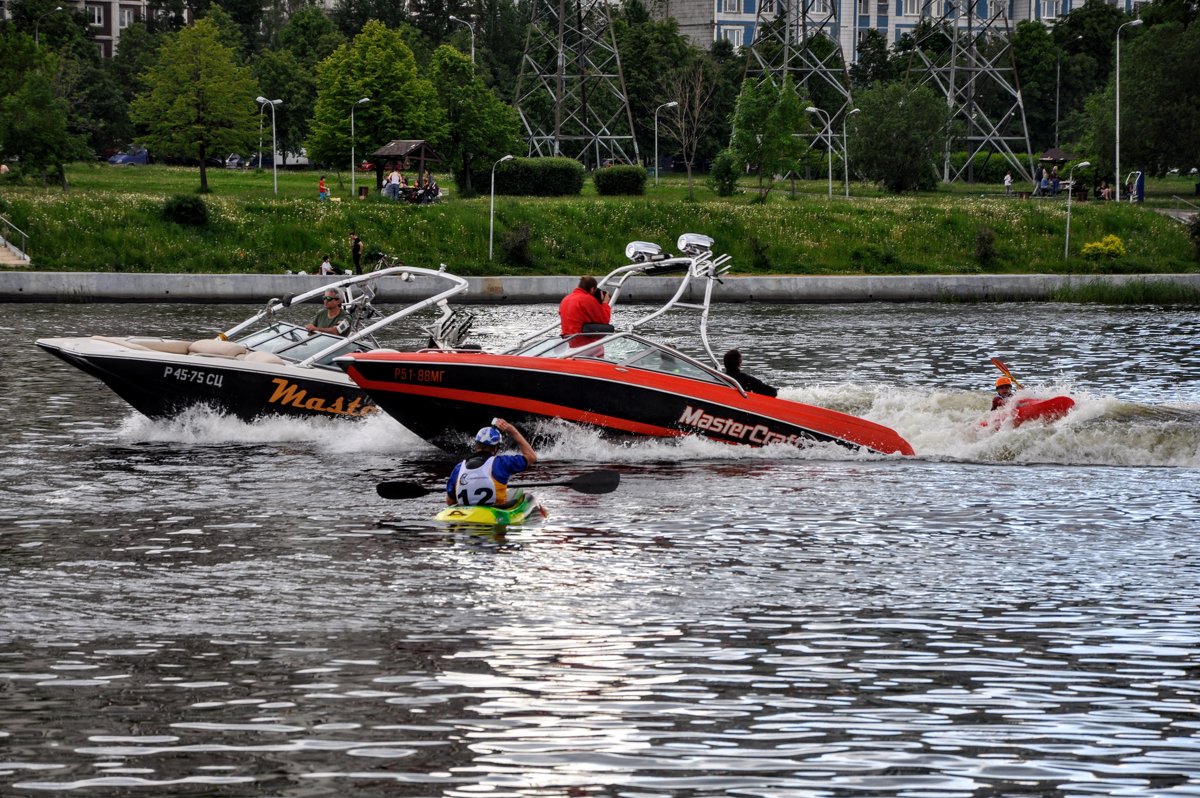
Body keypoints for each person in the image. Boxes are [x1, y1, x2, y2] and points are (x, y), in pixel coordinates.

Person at [446, 419, 537, 507]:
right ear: (496, 448)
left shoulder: (458, 468)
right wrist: (512, 431)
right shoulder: (501, 463)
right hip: (494, 516)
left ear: (476, 445)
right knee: (527, 498)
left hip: (464, 516)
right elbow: (532, 457)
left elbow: (450, 502)